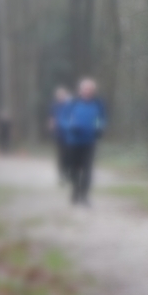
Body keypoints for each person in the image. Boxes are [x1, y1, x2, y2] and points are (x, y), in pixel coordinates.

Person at [61, 78, 107, 206]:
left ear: (93, 91)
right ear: (80, 90)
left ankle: (84, 196)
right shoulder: (73, 103)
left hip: (90, 142)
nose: (87, 91)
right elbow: (63, 119)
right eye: (85, 89)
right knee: (74, 169)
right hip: (73, 142)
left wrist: (100, 128)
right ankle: (75, 191)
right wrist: (70, 127)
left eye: (90, 89)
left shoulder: (98, 103)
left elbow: (101, 118)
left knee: (87, 170)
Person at [48, 86, 73, 184]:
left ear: (66, 95)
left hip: (70, 135)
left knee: (69, 156)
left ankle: (69, 174)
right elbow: (51, 118)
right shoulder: (54, 105)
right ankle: (62, 175)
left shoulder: (70, 105)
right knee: (61, 156)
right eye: (59, 95)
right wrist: (51, 126)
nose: (61, 96)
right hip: (59, 134)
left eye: (62, 95)